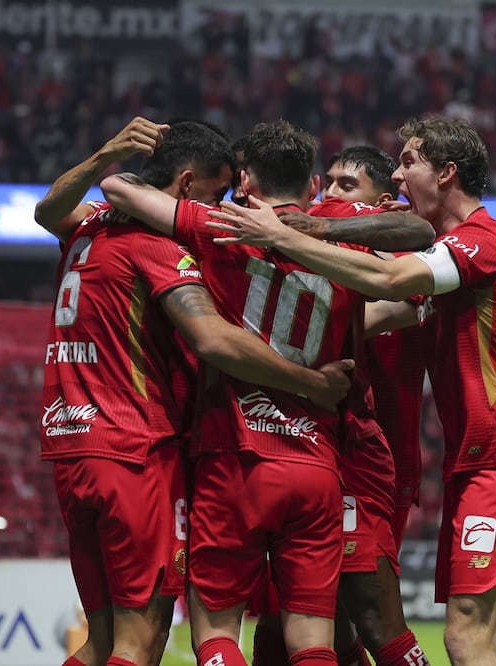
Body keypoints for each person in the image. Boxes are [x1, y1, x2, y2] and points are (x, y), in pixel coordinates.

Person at [206, 115, 496, 666]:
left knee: (464, 637)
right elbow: (370, 312)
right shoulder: (453, 249)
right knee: (467, 635)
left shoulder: (479, 243)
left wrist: (285, 235)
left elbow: (386, 283)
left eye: (409, 162)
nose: (397, 176)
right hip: (475, 459)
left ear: (446, 173)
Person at [101, 119, 422, 666]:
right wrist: (312, 230)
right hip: (317, 461)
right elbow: (417, 232)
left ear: (244, 177)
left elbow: (117, 188)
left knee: (218, 628)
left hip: (234, 456)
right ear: (312, 181)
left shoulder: (218, 222)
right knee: (314, 638)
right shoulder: (335, 223)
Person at [36, 117, 353, 666]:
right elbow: (211, 338)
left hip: (71, 442)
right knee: (141, 642)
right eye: (216, 194)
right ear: (185, 186)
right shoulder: (156, 246)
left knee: (102, 644)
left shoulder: (90, 226)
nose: (224, 204)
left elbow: (46, 212)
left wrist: (101, 155)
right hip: (134, 449)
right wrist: (312, 383)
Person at [252, 146, 432, 666]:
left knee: (366, 611)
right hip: (312, 444)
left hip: (371, 452)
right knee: (297, 611)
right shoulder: (334, 246)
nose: (331, 195)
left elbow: (380, 307)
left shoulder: (398, 250)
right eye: (327, 183)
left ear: (385, 202)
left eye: (347, 187)